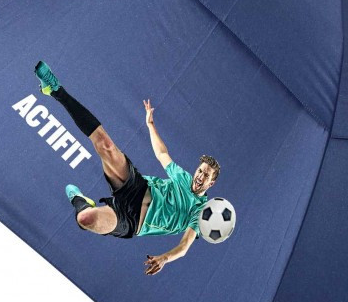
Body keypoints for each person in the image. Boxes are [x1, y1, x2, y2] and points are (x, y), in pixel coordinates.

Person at [34, 61, 221, 275]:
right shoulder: (183, 178)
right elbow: (162, 154)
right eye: (200, 170)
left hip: (132, 222)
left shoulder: (200, 211)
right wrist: (151, 125)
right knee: (106, 144)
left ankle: (80, 201)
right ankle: (55, 90)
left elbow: (185, 246)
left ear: (211, 183)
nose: (200, 176)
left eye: (206, 175)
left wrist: (165, 258)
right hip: (136, 187)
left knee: (86, 219)